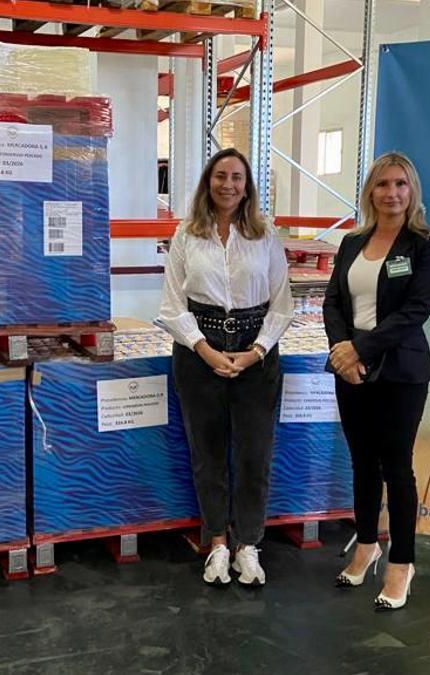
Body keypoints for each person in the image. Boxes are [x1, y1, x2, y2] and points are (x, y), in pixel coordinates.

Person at [157, 148, 293, 587]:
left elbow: (282, 303)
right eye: (220, 176)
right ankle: (216, 543)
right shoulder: (186, 234)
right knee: (207, 455)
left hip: (257, 353)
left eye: (237, 177)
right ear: (207, 182)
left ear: (247, 185)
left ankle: (248, 545)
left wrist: (255, 351)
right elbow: (172, 305)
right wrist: (205, 350)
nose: (228, 184)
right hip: (200, 353)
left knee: (255, 456)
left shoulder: (265, 233)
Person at [323, 151, 430, 611]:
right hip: (350, 368)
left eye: (400, 184)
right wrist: (341, 350)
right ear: (370, 191)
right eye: (382, 185)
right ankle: (367, 544)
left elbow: (416, 310)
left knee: (397, 467)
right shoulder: (353, 242)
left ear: (411, 191)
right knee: (361, 464)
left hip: (401, 371)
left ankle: (402, 562)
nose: (391, 193)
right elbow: (334, 300)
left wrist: (362, 348)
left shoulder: (426, 243)